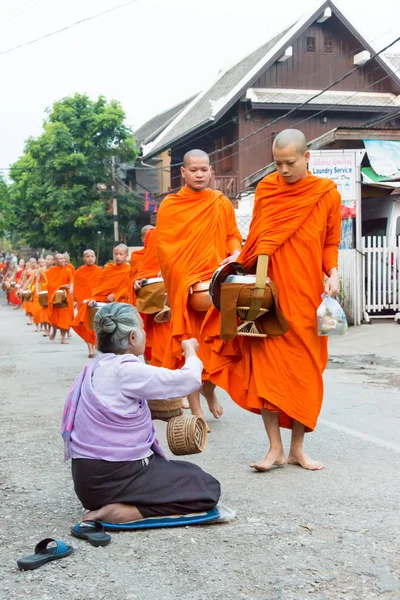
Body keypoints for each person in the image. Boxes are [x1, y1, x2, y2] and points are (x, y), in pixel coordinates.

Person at [208, 129, 342, 471]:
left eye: (290, 162)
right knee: (267, 371)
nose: (283, 170)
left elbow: (329, 243)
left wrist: (333, 272)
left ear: (307, 157)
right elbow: (258, 237)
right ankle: (274, 449)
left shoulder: (326, 193)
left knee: (305, 372)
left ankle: (297, 448)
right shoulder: (267, 189)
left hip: (307, 294)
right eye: (278, 163)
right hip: (268, 296)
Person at [62, 302, 220, 524]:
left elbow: (115, 413)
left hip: (88, 482)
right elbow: (189, 380)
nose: (146, 333)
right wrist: (191, 352)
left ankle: (120, 502)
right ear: (133, 338)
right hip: (113, 478)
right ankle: (126, 513)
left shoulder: (95, 368)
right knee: (207, 487)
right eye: (142, 328)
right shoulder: (126, 369)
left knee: (186, 471)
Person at [157, 149, 242, 429]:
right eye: (193, 169)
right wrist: (185, 279)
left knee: (214, 348)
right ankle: (197, 413)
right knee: (189, 351)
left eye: (204, 169)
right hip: (187, 291)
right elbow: (167, 251)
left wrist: (235, 253)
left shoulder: (220, 202)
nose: (199, 174)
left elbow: (232, 234)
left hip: (215, 287)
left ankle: (209, 390)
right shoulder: (171, 205)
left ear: (210, 171)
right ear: (182, 172)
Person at [71, 249, 103, 358]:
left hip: (96, 300)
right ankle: (90, 348)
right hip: (83, 301)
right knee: (85, 325)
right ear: (84, 258)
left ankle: (95, 345)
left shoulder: (100, 271)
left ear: (95, 257)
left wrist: (96, 298)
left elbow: (101, 286)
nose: (90, 258)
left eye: (92, 256)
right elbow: (77, 288)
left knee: (95, 324)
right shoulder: (79, 272)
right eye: (88, 256)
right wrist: (80, 300)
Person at [47, 253, 74, 344]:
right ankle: (54, 330)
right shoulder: (51, 271)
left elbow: (72, 281)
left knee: (65, 317)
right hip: (56, 296)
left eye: (63, 259)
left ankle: (63, 338)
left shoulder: (67, 270)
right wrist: (61, 286)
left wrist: (70, 288)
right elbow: (50, 285)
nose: (62, 260)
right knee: (55, 317)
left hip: (66, 297)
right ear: (55, 261)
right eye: (60, 259)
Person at [129, 225, 152, 306]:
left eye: (152, 236)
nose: (150, 239)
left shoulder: (161, 254)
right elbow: (132, 277)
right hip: (141, 292)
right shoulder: (137, 255)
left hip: (158, 292)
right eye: (147, 236)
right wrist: (136, 281)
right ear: (142, 239)